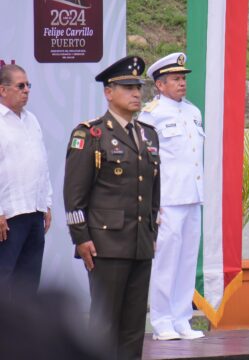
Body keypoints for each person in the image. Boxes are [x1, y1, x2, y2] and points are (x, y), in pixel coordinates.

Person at [63, 56, 160, 360]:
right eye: (128, 87)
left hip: (139, 241)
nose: (136, 93)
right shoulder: (91, 134)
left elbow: (152, 189)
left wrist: (151, 230)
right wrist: (81, 238)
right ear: (109, 92)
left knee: (133, 326)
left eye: (138, 87)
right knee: (105, 324)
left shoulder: (147, 133)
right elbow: (74, 193)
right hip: (106, 242)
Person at [138, 53, 205, 340]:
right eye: (176, 79)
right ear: (160, 84)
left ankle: (182, 319)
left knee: (187, 260)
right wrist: (152, 203)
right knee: (166, 262)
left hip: (192, 196)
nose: (182, 83)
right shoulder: (151, 114)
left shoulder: (192, 111)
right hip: (167, 198)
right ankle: (162, 321)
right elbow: (146, 161)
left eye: (183, 78)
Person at [0, 64, 52, 301]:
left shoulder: (32, 120)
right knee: (4, 277)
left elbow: (41, 162)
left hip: (34, 210)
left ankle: (23, 336)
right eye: (20, 86)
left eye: (28, 85)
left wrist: (46, 203)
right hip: (8, 215)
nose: (27, 90)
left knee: (29, 279)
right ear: (3, 89)